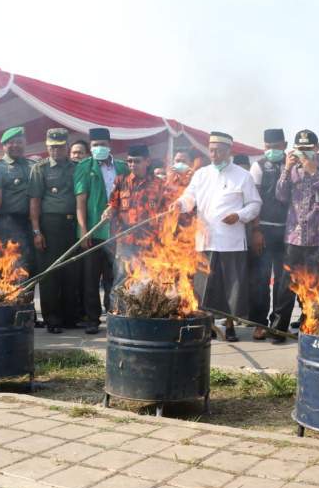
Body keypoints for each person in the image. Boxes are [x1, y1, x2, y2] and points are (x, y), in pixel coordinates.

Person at [176, 132, 261, 341]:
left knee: (231, 287)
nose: (213, 154)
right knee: (205, 286)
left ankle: (230, 326)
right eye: (211, 150)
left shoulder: (242, 175)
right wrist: (180, 204)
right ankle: (209, 325)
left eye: (218, 151)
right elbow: (189, 197)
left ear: (228, 152)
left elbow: (255, 204)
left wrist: (239, 215)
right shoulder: (201, 174)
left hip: (231, 240)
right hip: (205, 239)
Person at [269, 129, 319, 342]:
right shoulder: (291, 166)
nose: (304, 153)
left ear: (317, 147)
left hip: (318, 238)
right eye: (300, 149)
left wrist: (313, 171)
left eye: (308, 149)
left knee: (312, 287)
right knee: (285, 286)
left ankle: (309, 328)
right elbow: (280, 196)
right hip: (294, 236)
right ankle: (279, 328)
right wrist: (287, 168)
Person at [73, 128, 128, 334]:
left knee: (114, 276)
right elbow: (80, 203)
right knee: (90, 277)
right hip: (93, 232)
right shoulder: (84, 167)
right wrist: (83, 231)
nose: (99, 148)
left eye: (103, 144)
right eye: (95, 145)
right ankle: (92, 319)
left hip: (117, 232)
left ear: (110, 145)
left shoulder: (122, 167)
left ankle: (114, 314)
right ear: (90, 147)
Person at [28, 129, 79, 334]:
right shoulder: (40, 169)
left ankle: (69, 317)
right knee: (49, 274)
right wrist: (36, 231)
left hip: (72, 224)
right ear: (46, 147)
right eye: (52, 147)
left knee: (71, 272)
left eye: (59, 146)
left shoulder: (77, 167)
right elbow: (34, 202)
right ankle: (52, 319)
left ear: (67, 146)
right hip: (50, 224)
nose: (55, 150)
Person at [105, 144, 167, 291]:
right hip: (125, 240)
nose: (133, 165)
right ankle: (117, 311)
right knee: (121, 279)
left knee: (148, 280)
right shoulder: (120, 182)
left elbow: (165, 213)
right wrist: (108, 210)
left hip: (149, 242)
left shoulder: (159, 184)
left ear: (147, 161)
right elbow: (113, 204)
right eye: (130, 161)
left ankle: (143, 313)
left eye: (137, 161)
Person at [248, 129, 289, 340]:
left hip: (287, 231)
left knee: (283, 282)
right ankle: (259, 323)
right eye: (268, 146)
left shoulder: (293, 164)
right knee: (260, 280)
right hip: (263, 229)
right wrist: (256, 230)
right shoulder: (259, 165)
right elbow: (253, 200)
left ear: (285, 144)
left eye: (276, 146)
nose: (271, 150)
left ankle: (278, 325)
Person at [0, 126, 36, 275]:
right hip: (8, 222)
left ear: (25, 143)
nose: (15, 146)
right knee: (9, 263)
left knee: (29, 263)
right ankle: (9, 298)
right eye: (11, 143)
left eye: (19, 142)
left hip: (31, 222)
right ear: (4, 146)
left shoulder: (33, 166)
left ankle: (28, 298)